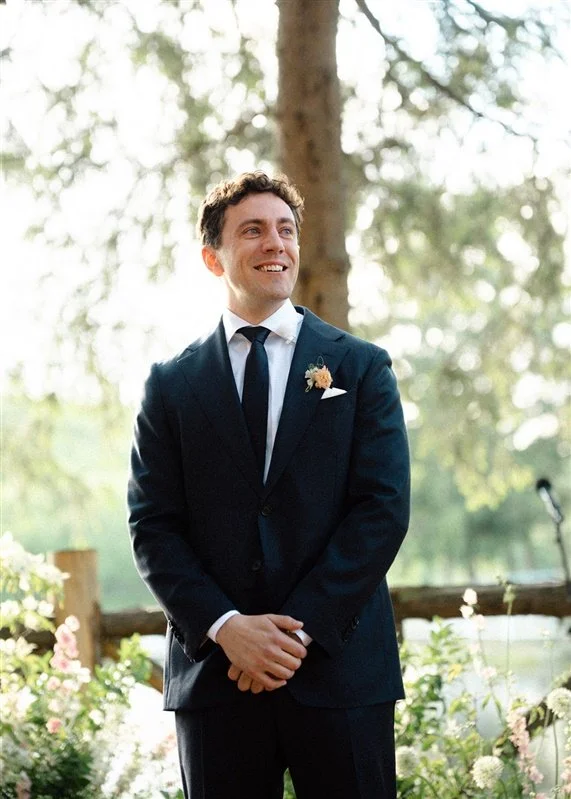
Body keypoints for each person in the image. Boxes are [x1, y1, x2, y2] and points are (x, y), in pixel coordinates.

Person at [128, 171, 410, 799]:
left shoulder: (361, 367)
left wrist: (296, 633)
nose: (275, 243)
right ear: (213, 257)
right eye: (252, 230)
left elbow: (382, 509)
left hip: (340, 672)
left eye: (286, 230)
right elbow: (152, 526)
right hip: (217, 676)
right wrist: (227, 627)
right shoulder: (169, 385)